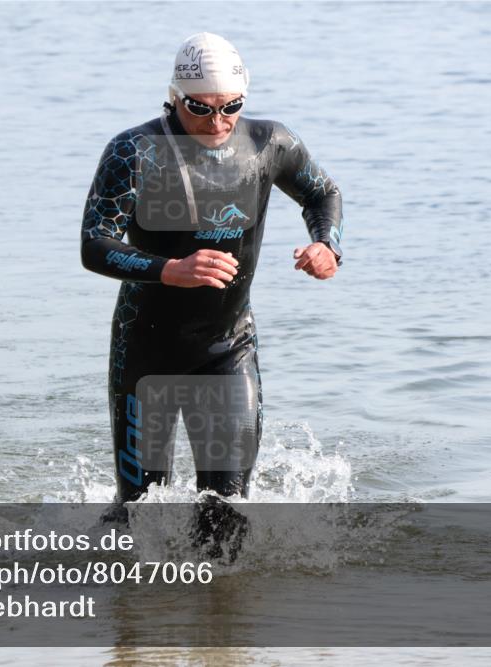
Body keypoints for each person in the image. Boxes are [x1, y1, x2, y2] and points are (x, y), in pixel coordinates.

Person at [81, 32, 343, 507]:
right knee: (138, 512)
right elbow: (94, 245)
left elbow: (323, 193)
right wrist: (170, 269)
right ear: (174, 97)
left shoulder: (269, 143)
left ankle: (220, 585)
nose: (218, 121)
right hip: (145, 353)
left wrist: (326, 245)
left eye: (231, 106)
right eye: (200, 108)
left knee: (226, 510)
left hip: (229, 349)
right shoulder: (133, 151)